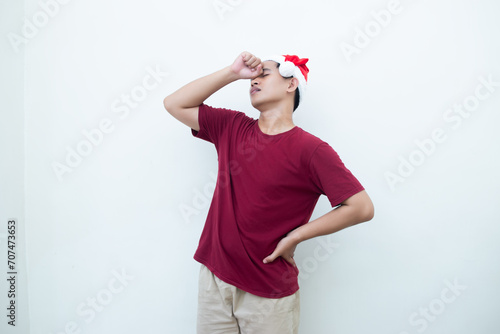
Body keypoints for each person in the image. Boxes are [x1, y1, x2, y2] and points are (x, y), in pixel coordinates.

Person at [163, 51, 374, 334]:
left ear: (291, 84)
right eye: (252, 76)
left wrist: (296, 236)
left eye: (265, 73)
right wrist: (232, 73)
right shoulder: (232, 127)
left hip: (268, 293)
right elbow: (174, 104)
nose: (254, 79)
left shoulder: (311, 150)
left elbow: (361, 207)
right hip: (215, 279)